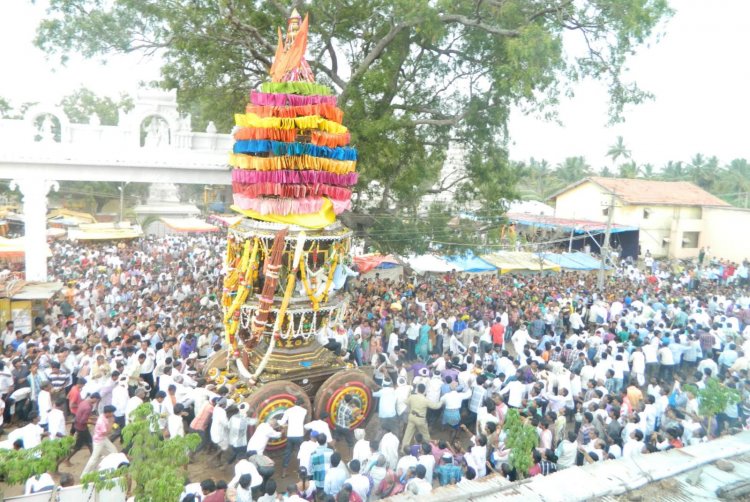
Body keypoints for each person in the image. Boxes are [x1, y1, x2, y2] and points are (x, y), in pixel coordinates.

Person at [81, 404, 118, 476]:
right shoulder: (101, 421)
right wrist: (111, 422)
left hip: (103, 439)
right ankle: (84, 475)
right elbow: (107, 432)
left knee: (114, 451)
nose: (113, 414)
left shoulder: (103, 415)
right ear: (108, 413)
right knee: (94, 458)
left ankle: (109, 467)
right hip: (99, 441)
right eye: (112, 412)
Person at [279, 397, 308, 477]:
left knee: (287, 453)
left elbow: (281, 423)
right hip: (299, 435)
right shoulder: (304, 411)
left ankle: (284, 472)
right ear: (302, 404)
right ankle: (301, 470)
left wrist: (277, 421)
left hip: (290, 435)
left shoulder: (288, 411)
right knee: (301, 452)